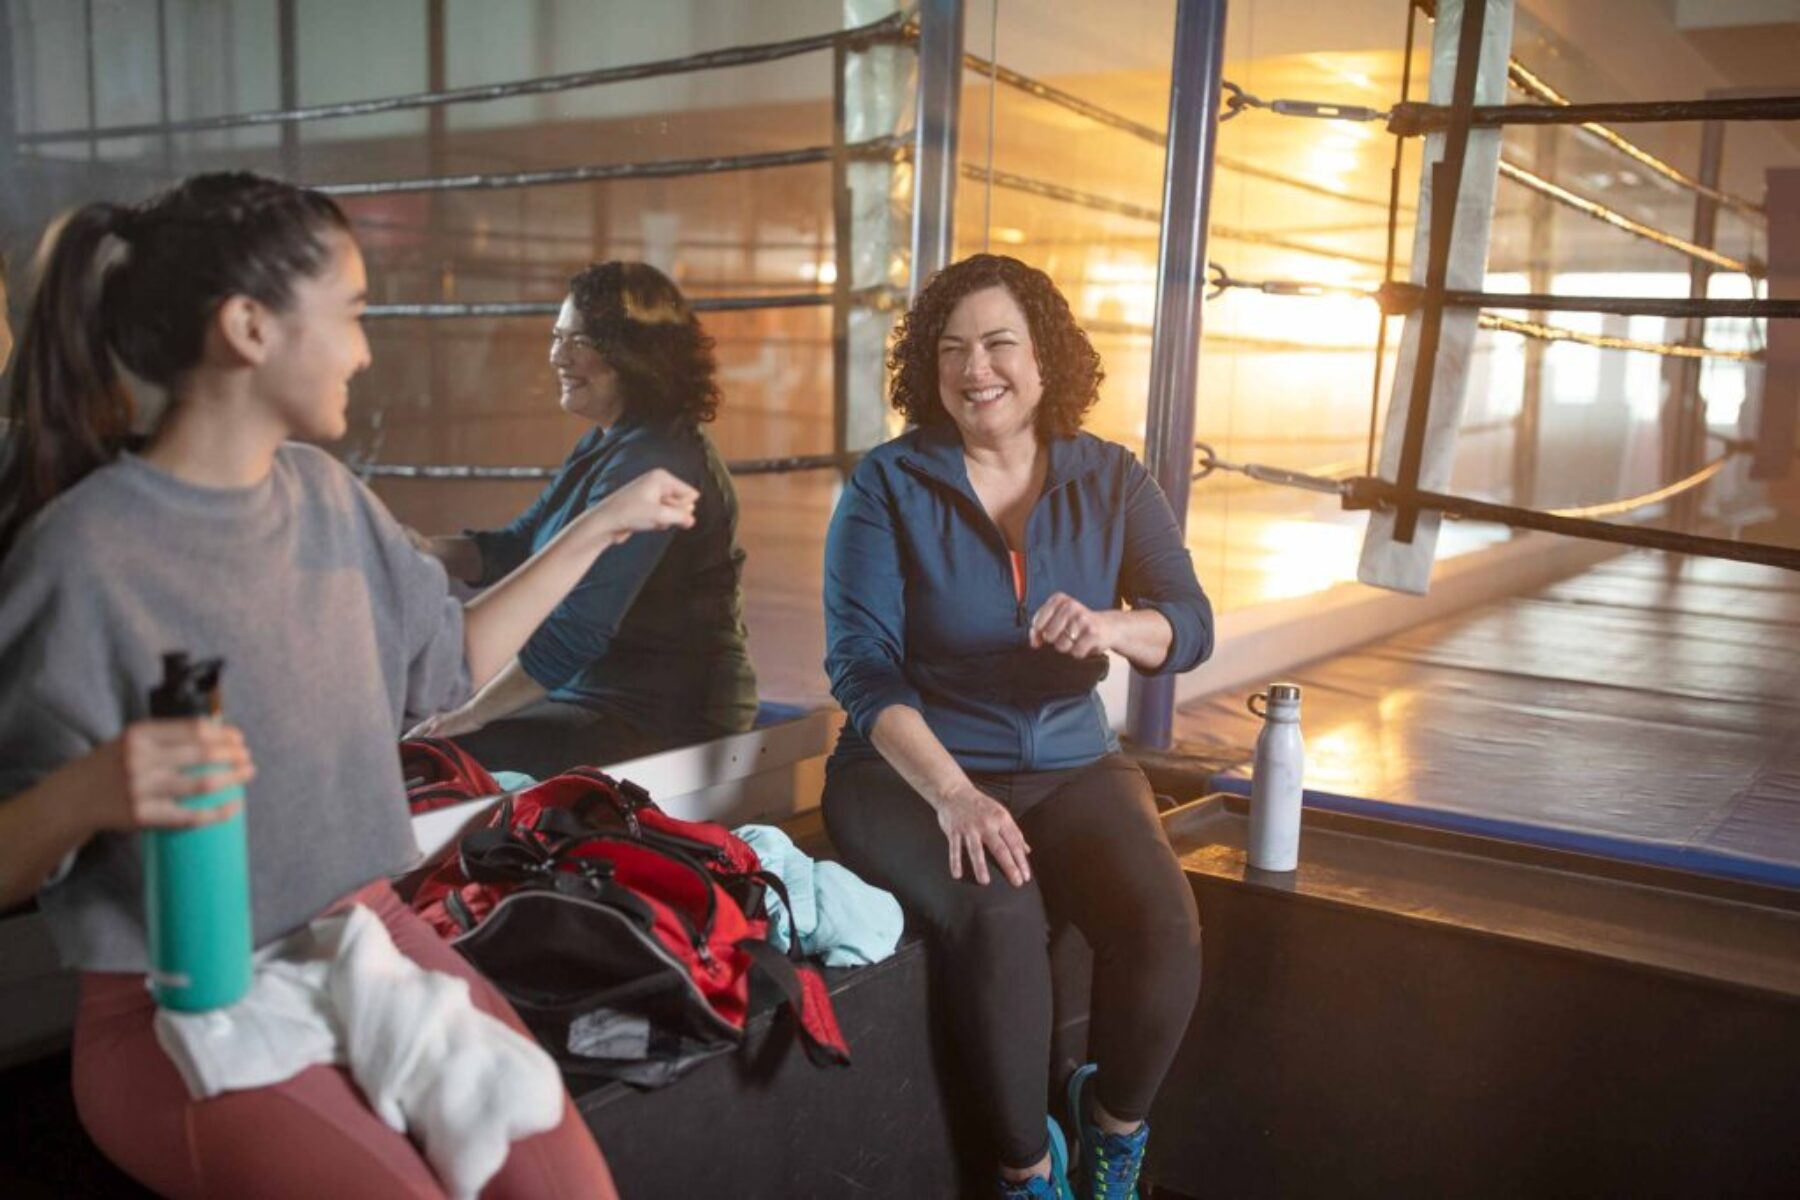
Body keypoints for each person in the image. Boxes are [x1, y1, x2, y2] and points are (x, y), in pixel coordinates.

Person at [0, 172, 701, 1198]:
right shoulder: (81, 557)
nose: (368, 350)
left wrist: (600, 527)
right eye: (355, 313)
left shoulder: (329, 499)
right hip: (180, 1002)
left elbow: (451, 664)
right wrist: (88, 793)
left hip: (370, 939)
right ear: (249, 327)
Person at [820, 254, 1212, 1200]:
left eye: (999, 342)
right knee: (1001, 917)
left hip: (1071, 762)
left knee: (1162, 923)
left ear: (1045, 362)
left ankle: (1110, 1137)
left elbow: (1188, 624)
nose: (975, 367)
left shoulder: (1111, 476)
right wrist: (954, 793)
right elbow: (861, 667)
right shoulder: (888, 483)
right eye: (951, 348)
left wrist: (1114, 625)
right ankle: (1027, 1175)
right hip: (911, 774)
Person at [407, 261, 757, 778]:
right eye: (556, 337)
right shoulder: (608, 442)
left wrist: (469, 713)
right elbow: (520, 549)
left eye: (580, 341)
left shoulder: (660, 460)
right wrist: (423, 549)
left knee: (432, 759)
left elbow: (574, 633)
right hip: (588, 697)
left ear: (634, 356)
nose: (557, 356)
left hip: (658, 717)